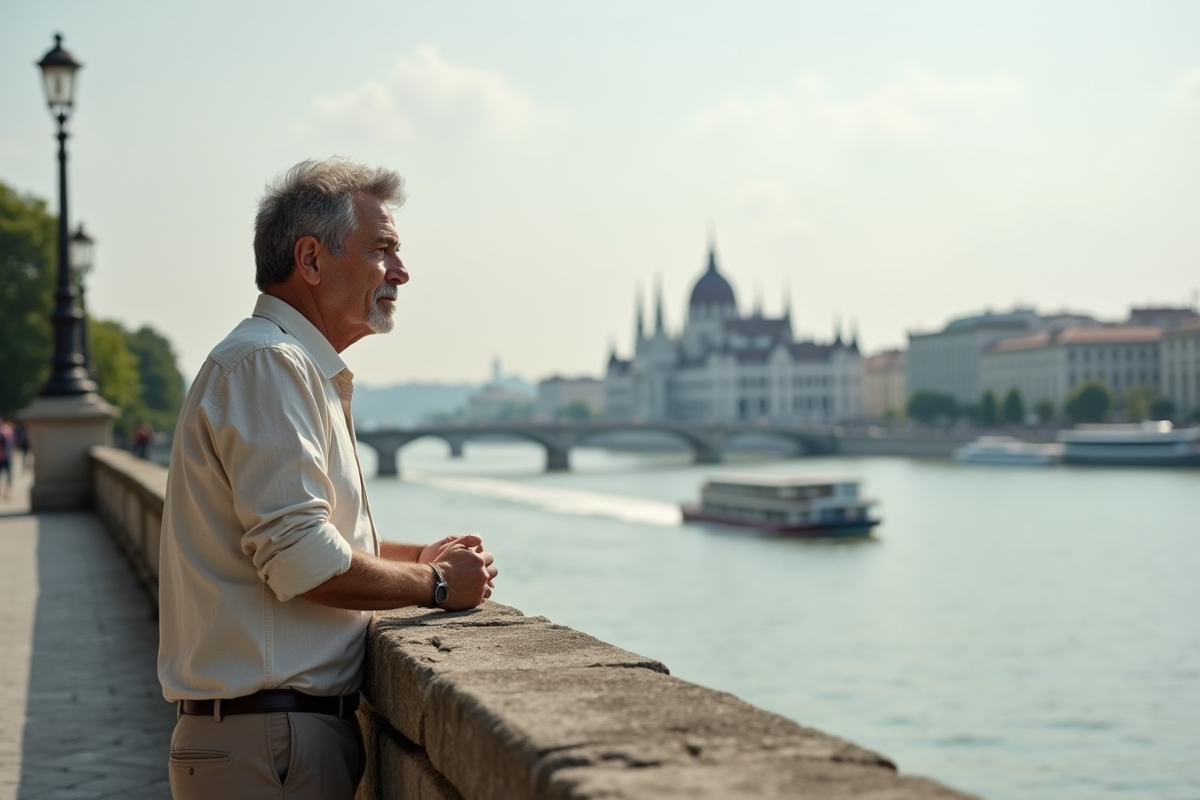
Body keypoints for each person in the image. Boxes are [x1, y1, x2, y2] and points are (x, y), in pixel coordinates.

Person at [158, 158, 498, 800]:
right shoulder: (269, 365)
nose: (400, 271)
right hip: (272, 744)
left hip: (270, 740)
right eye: (382, 250)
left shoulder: (288, 367)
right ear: (310, 260)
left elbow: (308, 533)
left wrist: (414, 555)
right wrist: (436, 583)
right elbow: (301, 561)